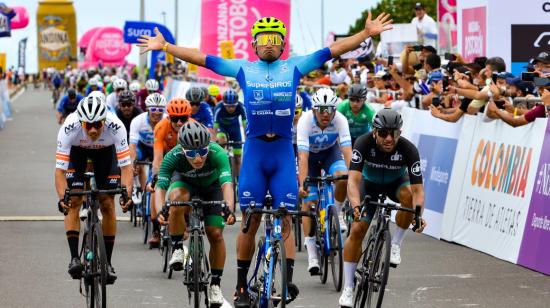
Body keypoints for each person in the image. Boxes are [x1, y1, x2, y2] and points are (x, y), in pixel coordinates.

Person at [138, 12, 393, 307]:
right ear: (254, 45)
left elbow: (334, 50)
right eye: (264, 40)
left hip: (282, 152)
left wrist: (364, 34)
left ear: (282, 44)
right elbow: (202, 57)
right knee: (250, 220)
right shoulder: (244, 69)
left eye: (275, 40)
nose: (269, 45)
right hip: (256, 152)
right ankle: (241, 287)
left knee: (285, 217)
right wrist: (167, 47)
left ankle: (285, 281)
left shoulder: (295, 66)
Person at [338, 108, 427, 307]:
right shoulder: (363, 142)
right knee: (357, 229)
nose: (389, 138)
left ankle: (395, 244)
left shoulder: (408, 149)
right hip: (368, 185)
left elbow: (418, 190)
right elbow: (353, 181)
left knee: (409, 197)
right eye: (384, 133)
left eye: (395, 133)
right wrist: (355, 206)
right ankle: (349, 288)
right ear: (374, 131)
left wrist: (418, 215)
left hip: (396, 184)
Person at [155, 121, 236, 306]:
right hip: (185, 183)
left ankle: (215, 285)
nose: (198, 158)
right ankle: (176, 246)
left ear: (208, 147)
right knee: (176, 199)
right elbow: (160, 188)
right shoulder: (172, 156)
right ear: (182, 150)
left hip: (212, 187)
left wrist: (228, 208)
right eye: (191, 153)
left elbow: (227, 185)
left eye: (202, 152)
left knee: (215, 234)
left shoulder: (218, 153)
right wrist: (161, 209)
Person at [55, 95, 133, 283]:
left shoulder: (116, 126)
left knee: (107, 202)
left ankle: (108, 263)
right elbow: (59, 172)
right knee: (72, 200)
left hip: (105, 154)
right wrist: (61, 198)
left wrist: (127, 193)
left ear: (104, 120)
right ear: (80, 121)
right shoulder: (69, 127)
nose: (92, 130)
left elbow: (126, 168)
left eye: (97, 125)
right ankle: (74, 258)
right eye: (87, 125)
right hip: (77, 152)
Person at [297, 88, 352, 274]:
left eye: (329, 109)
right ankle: (312, 251)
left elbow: (347, 151)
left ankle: (336, 212)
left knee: (343, 177)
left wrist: (353, 176)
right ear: (314, 110)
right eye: (321, 109)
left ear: (335, 110)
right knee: (308, 202)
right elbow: (302, 157)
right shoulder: (304, 121)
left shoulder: (341, 120)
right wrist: (303, 184)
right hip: (310, 158)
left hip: (330, 153)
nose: (325, 114)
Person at [129, 93, 167, 247]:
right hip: (143, 148)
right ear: (147, 109)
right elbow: (132, 145)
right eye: (153, 109)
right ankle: (138, 187)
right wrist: (132, 163)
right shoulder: (138, 121)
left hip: (160, 149)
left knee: (156, 179)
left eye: (160, 109)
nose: (156, 112)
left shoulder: (166, 120)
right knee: (135, 160)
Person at [150, 98, 193, 235]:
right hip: (166, 159)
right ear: (168, 117)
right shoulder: (161, 127)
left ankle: (185, 217)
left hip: (187, 161)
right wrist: (157, 175)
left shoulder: (194, 127)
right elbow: (157, 157)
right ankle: (156, 227)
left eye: (183, 118)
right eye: (175, 119)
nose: (179, 123)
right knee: (155, 188)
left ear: (189, 117)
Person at [213, 88, 247, 176]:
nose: (231, 108)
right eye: (228, 106)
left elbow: (245, 126)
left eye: (233, 106)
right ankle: (223, 159)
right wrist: (213, 140)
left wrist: (247, 139)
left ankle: (239, 181)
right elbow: (215, 128)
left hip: (235, 129)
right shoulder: (218, 108)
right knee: (222, 140)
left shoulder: (241, 106)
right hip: (222, 128)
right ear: (224, 104)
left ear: (237, 104)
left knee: (238, 158)